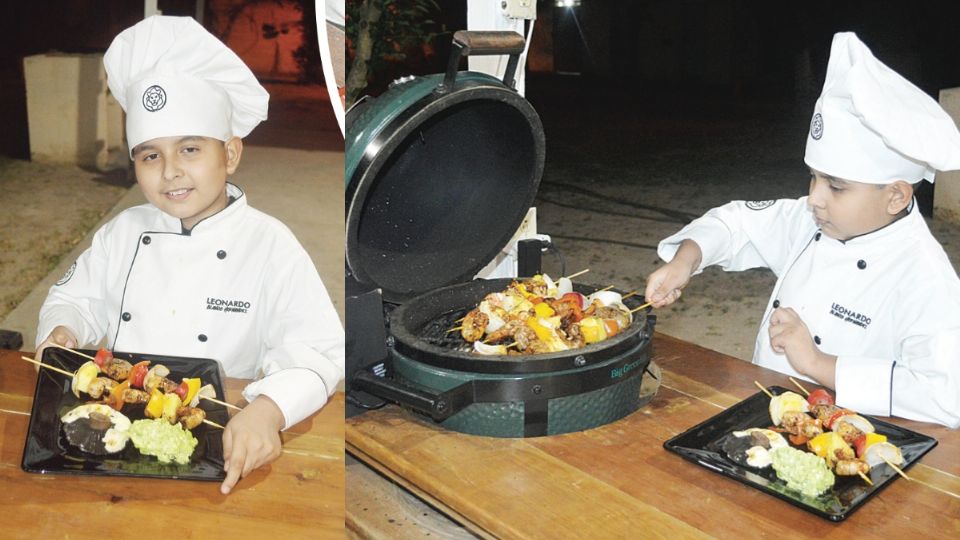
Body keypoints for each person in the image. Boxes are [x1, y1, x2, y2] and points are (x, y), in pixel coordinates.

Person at [34, 16, 345, 492]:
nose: (171, 172)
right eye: (150, 155)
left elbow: (318, 349)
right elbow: (78, 298)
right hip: (110, 433)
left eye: (191, 149)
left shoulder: (270, 244)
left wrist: (269, 409)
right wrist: (62, 327)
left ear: (231, 154)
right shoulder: (123, 231)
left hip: (216, 438)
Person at [645, 32, 960, 428]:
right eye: (813, 179)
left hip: (848, 444)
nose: (815, 198)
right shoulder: (810, 221)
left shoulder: (924, 275)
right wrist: (686, 260)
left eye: (836, 186)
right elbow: (736, 221)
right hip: (767, 412)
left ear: (895, 196)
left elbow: (945, 396)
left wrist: (817, 363)